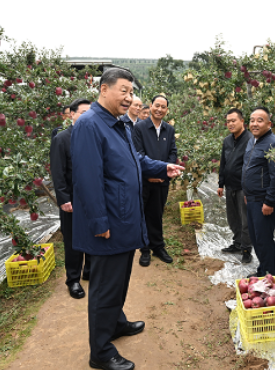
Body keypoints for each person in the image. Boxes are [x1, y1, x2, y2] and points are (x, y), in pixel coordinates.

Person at [71, 68, 184, 370]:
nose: (129, 97)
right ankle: (101, 352)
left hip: (123, 219)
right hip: (108, 222)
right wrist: (99, 222)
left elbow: (136, 160)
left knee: (118, 282)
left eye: (131, 92)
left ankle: (116, 323)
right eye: (123, 91)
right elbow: (88, 180)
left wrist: (162, 168)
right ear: (104, 90)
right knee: (105, 288)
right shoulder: (90, 125)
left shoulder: (119, 124)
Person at [49, 98, 92, 299]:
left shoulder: (93, 136)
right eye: (83, 112)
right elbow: (57, 173)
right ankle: (73, 279)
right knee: (73, 240)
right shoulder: (62, 139)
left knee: (93, 233)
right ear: (72, 114)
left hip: (92, 198)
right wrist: (63, 198)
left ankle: (89, 270)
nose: (87, 116)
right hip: (72, 200)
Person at [132, 95, 177, 266]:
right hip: (145, 180)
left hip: (162, 181)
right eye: (156, 105)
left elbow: (173, 152)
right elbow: (138, 154)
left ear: (167, 110)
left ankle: (158, 246)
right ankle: (144, 249)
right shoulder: (140, 128)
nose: (159, 109)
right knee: (143, 214)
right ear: (150, 106)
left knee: (157, 214)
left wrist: (166, 171)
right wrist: (150, 172)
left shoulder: (169, 130)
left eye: (163, 107)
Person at [242, 106, 275, 277]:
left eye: (259, 120)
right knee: (255, 238)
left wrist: (269, 201)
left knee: (264, 239)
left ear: (269, 123)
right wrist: (247, 194)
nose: (255, 123)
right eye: (252, 120)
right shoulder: (252, 141)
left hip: (263, 200)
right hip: (252, 198)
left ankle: (269, 274)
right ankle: (263, 270)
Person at [218, 108, 253, 263]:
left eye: (233, 121)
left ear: (242, 121)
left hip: (243, 188)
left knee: (245, 221)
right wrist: (221, 183)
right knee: (233, 219)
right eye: (228, 122)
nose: (230, 124)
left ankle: (246, 250)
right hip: (230, 186)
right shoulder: (227, 141)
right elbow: (223, 163)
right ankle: (237, 244)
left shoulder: (250, 140)